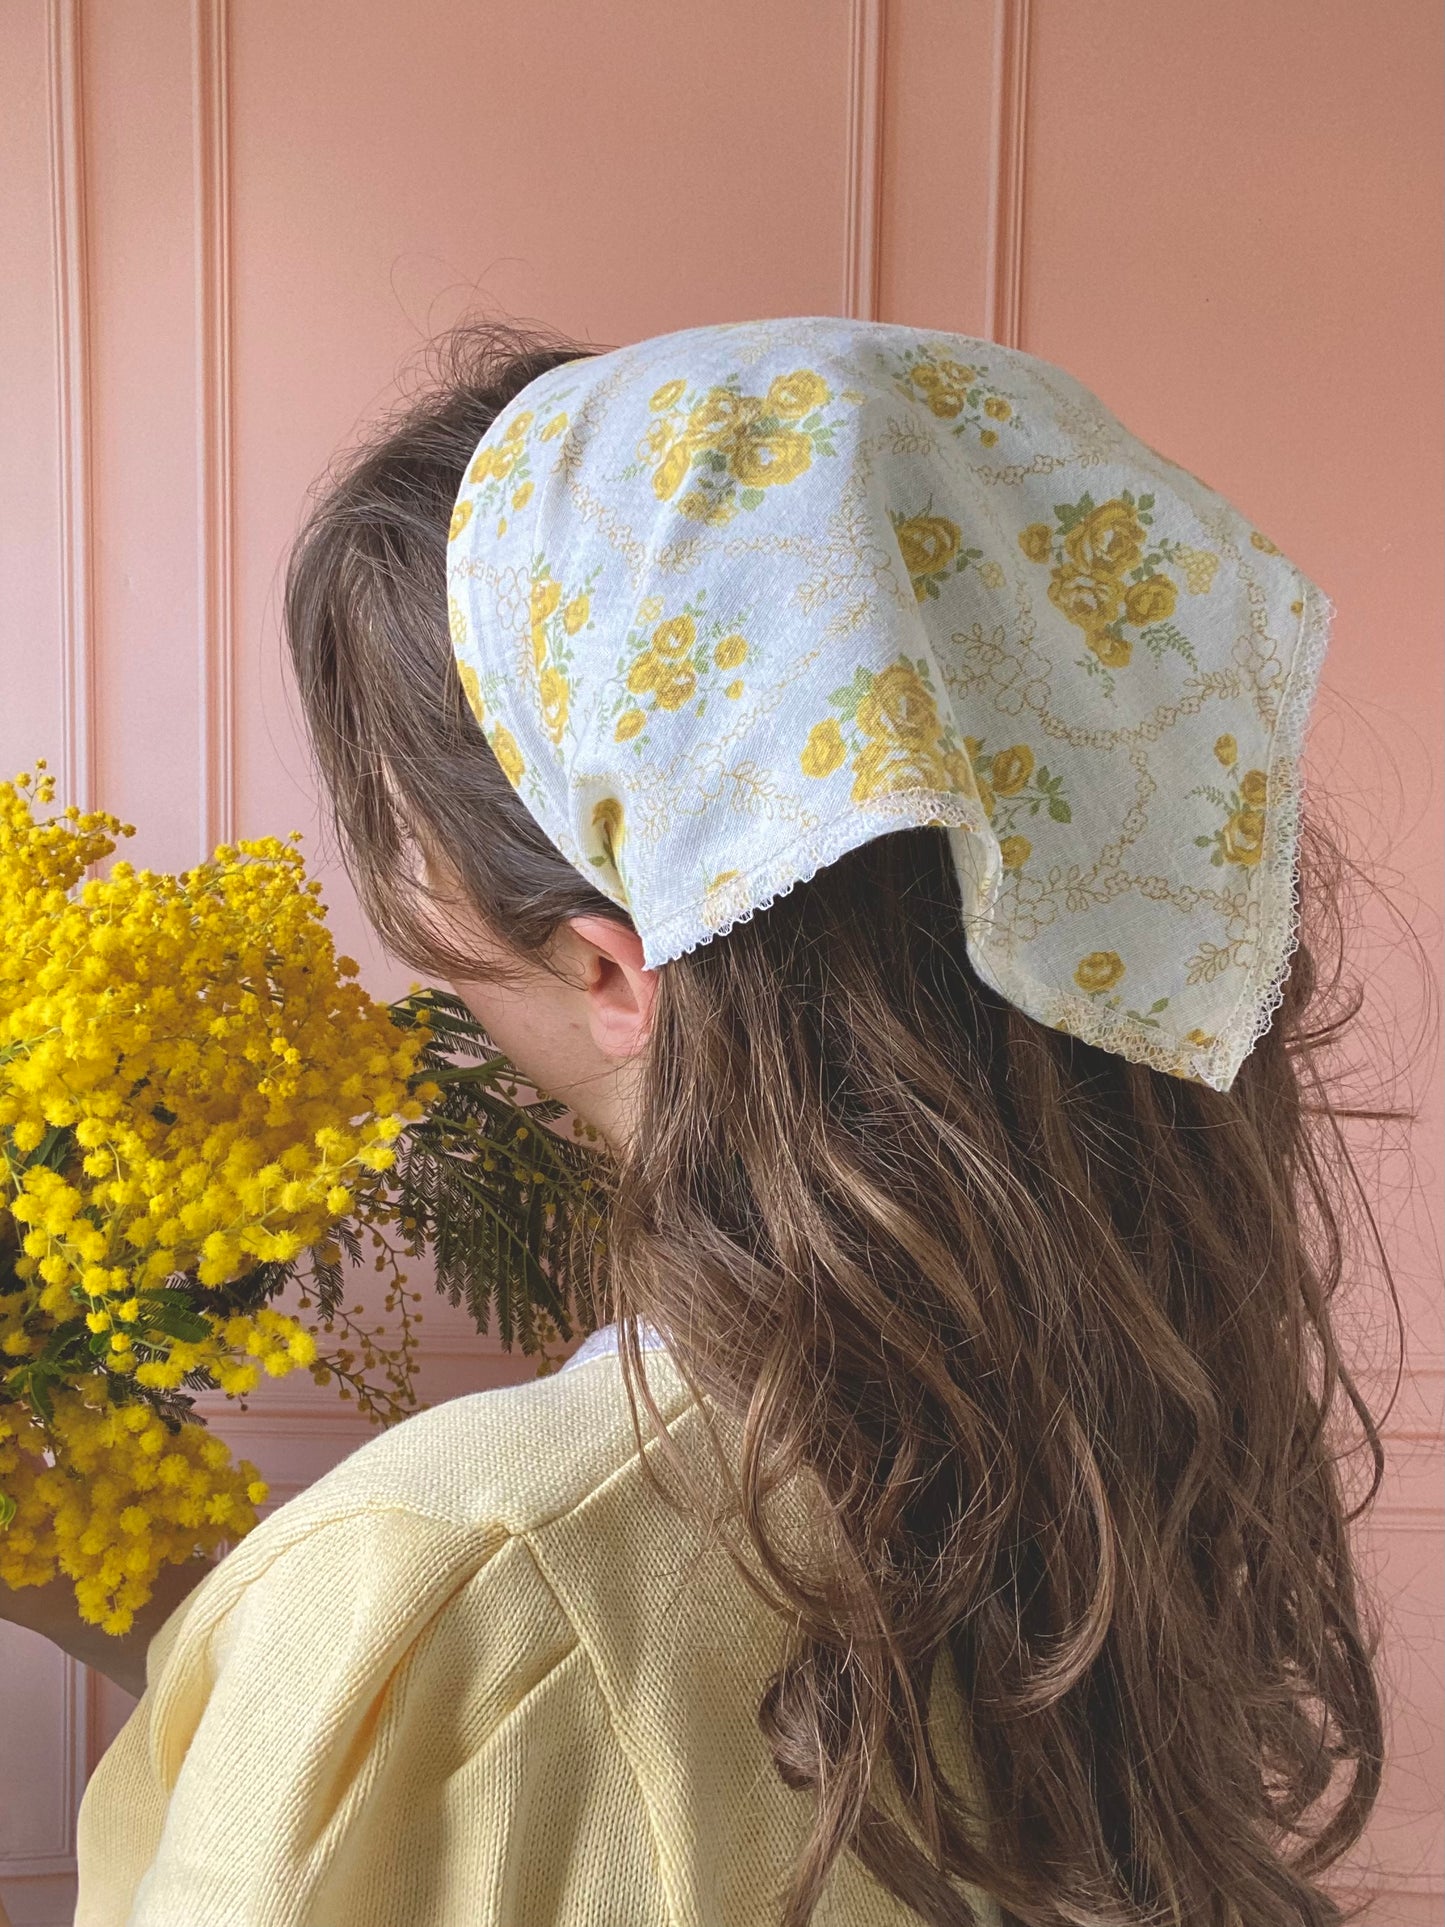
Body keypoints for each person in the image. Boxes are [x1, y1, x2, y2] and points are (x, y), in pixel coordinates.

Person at [16, 315, 1400, 1925]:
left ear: (616, 968)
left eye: (399, 831)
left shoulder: (456, 1573)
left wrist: (351, 1624)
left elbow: (527, 1647)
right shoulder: (1120, 1476)